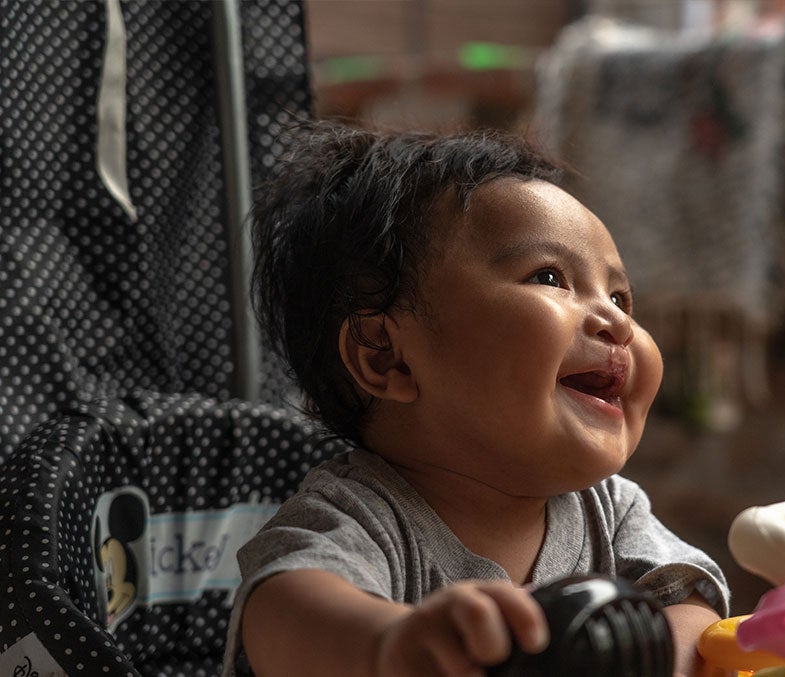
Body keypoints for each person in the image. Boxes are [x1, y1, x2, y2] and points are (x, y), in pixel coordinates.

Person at [222, 120, 729, 677]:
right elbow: (282, 615)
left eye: (619, 296)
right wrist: (389, 647)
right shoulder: (360, 520)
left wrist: (669, 661)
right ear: (387, 357)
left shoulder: (611, 508)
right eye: (550, 277)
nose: (615, 321)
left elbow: (692, 605)